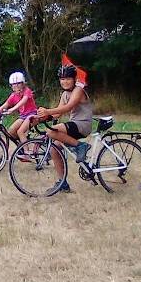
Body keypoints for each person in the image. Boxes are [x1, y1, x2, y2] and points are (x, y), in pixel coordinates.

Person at [35, 64, 94, 193]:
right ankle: (63, 183)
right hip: (74, 125)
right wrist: (38, 118)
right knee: (54, 149)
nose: (64, 82)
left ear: (74, 79)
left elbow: (68, 108)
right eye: (62, 79)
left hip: (82, 125)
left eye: (68, 79)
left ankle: (80, 146)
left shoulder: (78, 90)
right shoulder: (64, 94)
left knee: (51, 131)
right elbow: (57, 114)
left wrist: (47, 111)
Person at [0, 71, 37, 145]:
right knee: (10, 131)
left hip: (32, 115)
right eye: (14, 84)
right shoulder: (13, 95)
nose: (16, 86)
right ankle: (21, 144)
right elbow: (6, 104)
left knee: (20, 132)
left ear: (23, 83)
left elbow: (23, 101)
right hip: (23, 116)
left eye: (18, 83)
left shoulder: (27, 91)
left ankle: (26, 152)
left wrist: (12, 109)